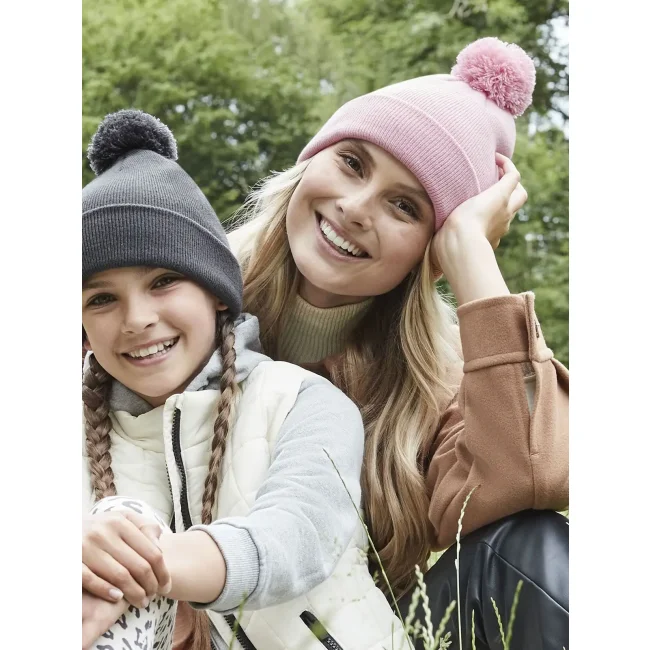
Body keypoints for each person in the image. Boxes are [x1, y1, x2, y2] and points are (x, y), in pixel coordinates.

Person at [227, 37, 569, 648]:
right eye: (352, 162)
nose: (356, 208)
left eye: (405, 207)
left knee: (529, 545)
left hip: (358, 636)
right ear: (312, 160)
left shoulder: (434, 382)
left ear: (430, 251)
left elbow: (537, 473)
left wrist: (472, 259)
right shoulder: (179, 295)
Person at [81, 110, 409, 650]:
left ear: (216, 292)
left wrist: (142, 563)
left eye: (164, 281)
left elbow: (298, 537)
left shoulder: (304, 402)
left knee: (122, 529)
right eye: (101, 299)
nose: (137, 319)